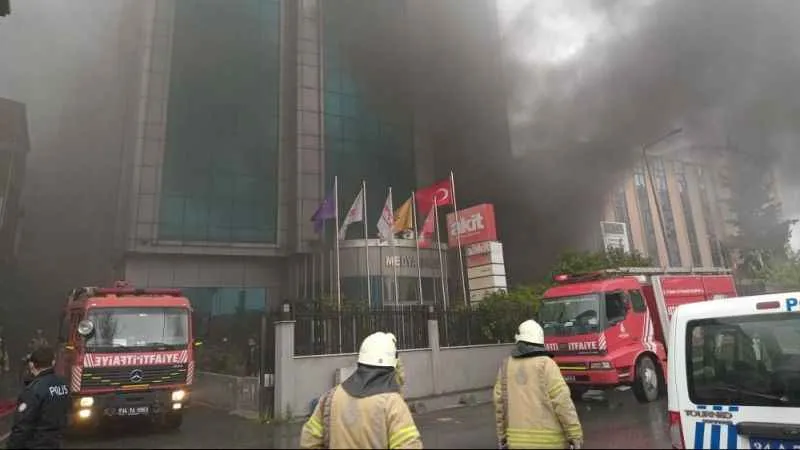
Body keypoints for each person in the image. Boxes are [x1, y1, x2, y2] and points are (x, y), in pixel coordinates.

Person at [300, 332, 422, 449]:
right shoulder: (393, 404)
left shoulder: (331, 397)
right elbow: (409, 445)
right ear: (392, 364)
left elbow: (309, 441)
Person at [494, 320, 583, 450]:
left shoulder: (506, 366)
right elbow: (562, 402)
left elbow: (499, 404)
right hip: (550, 443)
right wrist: (574, 434)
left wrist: (502, 437)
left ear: (519, 339)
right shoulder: (546, 364)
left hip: (516, 443)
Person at [7, 347, 71, 449]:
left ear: (32, 364)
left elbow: (23, 426)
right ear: (53, 362)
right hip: (56, 442)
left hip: (37, 444)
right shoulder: (63, 385)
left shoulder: (33, 390)